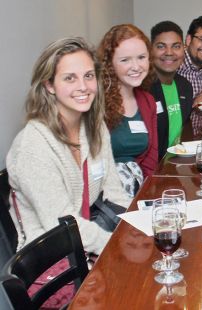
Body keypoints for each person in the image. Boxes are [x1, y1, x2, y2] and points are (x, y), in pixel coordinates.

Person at [6, 37, 131, 255]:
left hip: (88, 240)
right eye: (70, 78)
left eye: (88, 76)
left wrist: (139, 229)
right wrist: (118, 247)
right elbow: (62, 226)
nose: (83, 87)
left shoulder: (95, 127)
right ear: (49, 85)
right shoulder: (32, 146)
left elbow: (114, 193)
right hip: (52, 260)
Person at [98, 24, 158, 196]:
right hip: (103, 197)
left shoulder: (148, 102)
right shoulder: (95, 102)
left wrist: (146, 198)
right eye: (125, 60)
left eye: (141, 57)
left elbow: (150, 161)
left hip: (138, 194)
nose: (136, 66)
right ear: (110, 63)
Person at [150, 21, 193, 160]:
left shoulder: (185, 86)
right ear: (151, 50)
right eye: (161, 46)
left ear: (184, 50)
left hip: (177, 166)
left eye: (176, 46)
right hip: (152, 173)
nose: (169, 53)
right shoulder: (143, 89)